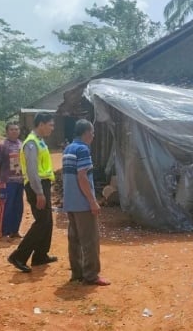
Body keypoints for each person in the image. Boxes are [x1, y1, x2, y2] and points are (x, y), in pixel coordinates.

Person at [8, 112, 58, 273]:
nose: (52, 128)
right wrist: (39, 192)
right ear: (41, 124)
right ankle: (18, 256)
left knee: (47, 221)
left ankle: (40, 255)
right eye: (50, 124)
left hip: (43, 184)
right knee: (42, 221)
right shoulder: (31, 143)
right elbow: (31, 170)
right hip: (36, 186)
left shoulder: (40, 141)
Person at [62, 119, 110, 286]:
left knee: (74, 239)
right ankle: (91, 275)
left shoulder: (68, 148)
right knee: (89, 239)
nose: (94, 136)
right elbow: (82, 177)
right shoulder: (83, 150)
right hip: (82, 203)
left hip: (70, 201)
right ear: (87, 133)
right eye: (93, 132)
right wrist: (92, 201)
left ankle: (77, 272)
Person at [0, 122, 24, 240]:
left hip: (19, 183)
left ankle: (14, 231)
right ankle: (3, 233)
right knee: (6, 207)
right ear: (7, 131)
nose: (14, 131)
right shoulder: (1, 146)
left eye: (16, 129)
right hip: (6, 182)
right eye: (11, 129)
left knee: (18, 207)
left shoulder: (22, 145)